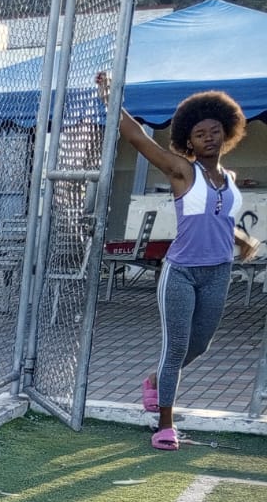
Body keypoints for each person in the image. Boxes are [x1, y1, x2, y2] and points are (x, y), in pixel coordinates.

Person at [100, 74, 248, 449]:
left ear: (227, 132)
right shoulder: (183, 171)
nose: (209, 138)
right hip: (181, 272)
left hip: (219, 272)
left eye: (215, 131)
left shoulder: (229, 179)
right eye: (200, 134)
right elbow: (138, 139)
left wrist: (243, 240)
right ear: (189, 140)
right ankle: (164, 425)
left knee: (200, 346)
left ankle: (154, 380)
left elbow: (219, 218)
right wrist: (109, 96)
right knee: (176, 347)